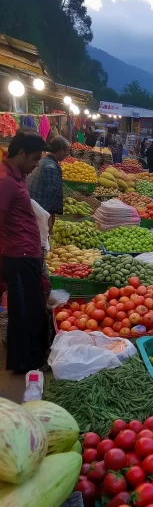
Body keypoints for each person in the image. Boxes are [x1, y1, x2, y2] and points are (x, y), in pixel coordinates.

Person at [0, 129, 49, 374]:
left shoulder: (17, 175)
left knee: (32, 306)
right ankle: (23, 363)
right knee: (22, 310)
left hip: (27, 255)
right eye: (35, 159)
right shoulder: (5, 181)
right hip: (17, 257)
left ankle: (32, 357)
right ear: (21, 153)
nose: (37, 164)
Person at [28, 136, 69, 232]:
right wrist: (49, 219)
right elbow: (51, 195)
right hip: (40, 211)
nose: (67, 154)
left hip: (35, 208)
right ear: (59, 151)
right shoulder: (51, 167)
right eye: (66, 151)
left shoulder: (44, 161)